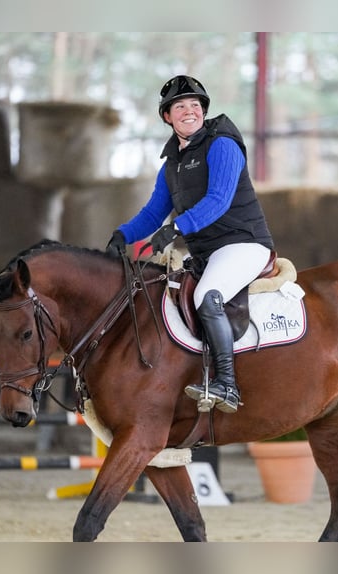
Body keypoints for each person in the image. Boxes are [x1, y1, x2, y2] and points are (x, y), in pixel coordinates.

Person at [106, 74, 274, 414]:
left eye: (195, 105)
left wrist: (175, 230)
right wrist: (123, 234)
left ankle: (226, 383)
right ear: (167, 117)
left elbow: (219, 200)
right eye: (180, 106)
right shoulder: (171, 165)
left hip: (243, 244)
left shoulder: (223, 143)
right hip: (207, 254)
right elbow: (154, 212)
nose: (189, 111)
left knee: (205, 296)